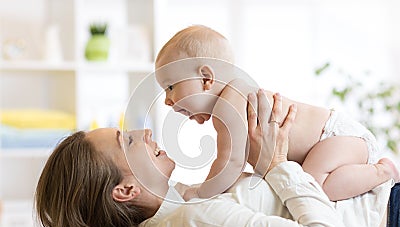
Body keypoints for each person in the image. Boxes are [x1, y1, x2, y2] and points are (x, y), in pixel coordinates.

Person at [28, 90, 398, 227]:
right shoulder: (194, 223)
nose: (143, 133)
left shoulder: (181, 204)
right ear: (124, 190)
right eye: (126, 141)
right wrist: (279, 164)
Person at [155, 25, 399, 201]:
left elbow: (230, 163)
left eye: (170, 86)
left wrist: (200, 194)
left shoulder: (229, 103)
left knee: (312, 188)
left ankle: (382, 171)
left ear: (206, 78)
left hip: (335, 137)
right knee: (303, 183)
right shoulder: (233, 98)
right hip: (333, 141)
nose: (167, 100)